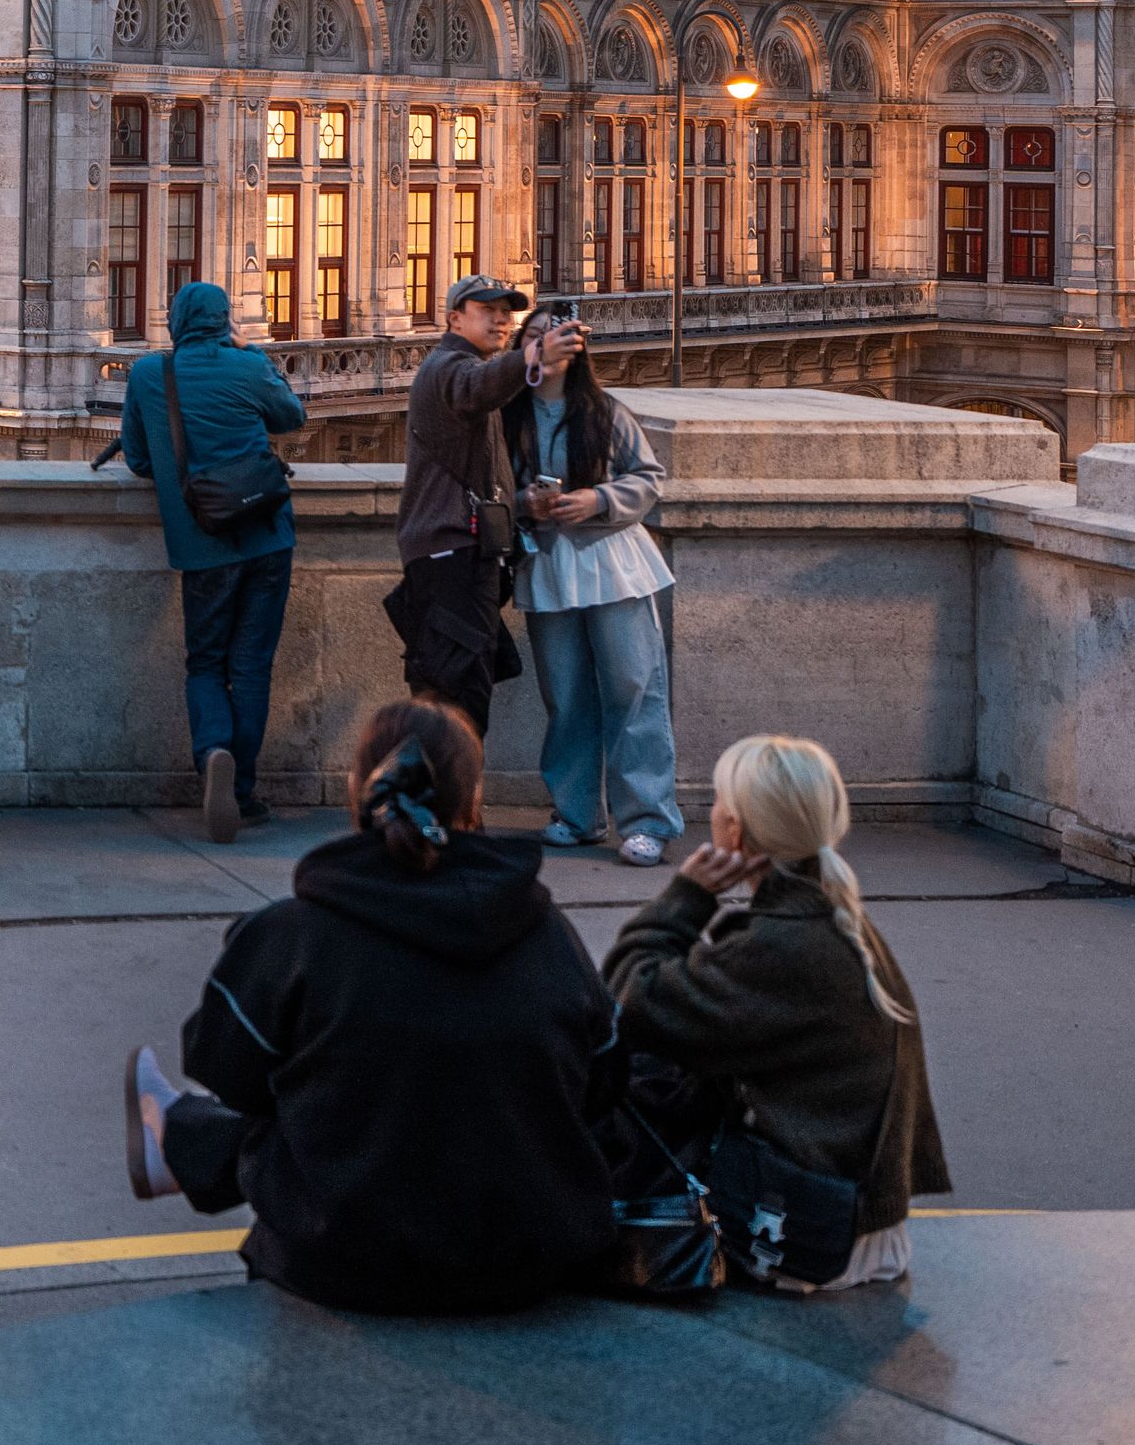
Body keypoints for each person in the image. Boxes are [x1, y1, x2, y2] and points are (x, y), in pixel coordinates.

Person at [123, 698, 618, 1313]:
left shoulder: (297, 934)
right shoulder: (549, 935)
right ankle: (175, 1140)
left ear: (356, 790)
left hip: (345, 1263)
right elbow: (602, 1082)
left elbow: (224, 1066)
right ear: (474, 801)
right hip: (526, 1264)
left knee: (309, 1107)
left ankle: (177, 1138)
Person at [600, 733, 949, 1289]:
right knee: (656, 1069)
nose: (712, 812)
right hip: (853, 1218)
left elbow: (628, 998)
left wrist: (687, 897)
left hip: (812, 1235)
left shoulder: (784, 947)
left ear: (735, 830)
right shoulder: (833, 918)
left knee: (614, 1080)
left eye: (717, 800)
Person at [113, 278, 306, 841]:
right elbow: (291, 416)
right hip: (266, 536)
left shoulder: (150, 374)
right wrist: (255, 354)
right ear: (225, 321)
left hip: (201, 544)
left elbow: (138, 459)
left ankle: (213, 752)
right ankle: (241, 792)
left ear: (175, 321)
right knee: (251, 667)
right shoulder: (246, 367)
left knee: (205, 663)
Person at [507, 308, 680, 868]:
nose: (544, 344)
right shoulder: (508, 417)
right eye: (534, 335)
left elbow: (649, 478)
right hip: (549, 564)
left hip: (614, 563)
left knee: (633, 689)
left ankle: (647, 821)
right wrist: (525, 504)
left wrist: (598, 499)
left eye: (554, 336)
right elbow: (494, 489)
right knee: (565, 696)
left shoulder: (605, 411)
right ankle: (577, 814)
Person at [392, 279, 571, 738]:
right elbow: (476, 386)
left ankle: (439, 781)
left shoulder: (465, 366)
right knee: (458, 703)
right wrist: (534, 355)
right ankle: (443, 783)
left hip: (458, 555)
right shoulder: (450, 367)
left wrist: (521, 502)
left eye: (507, 312)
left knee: (453, 695)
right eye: (487, 310)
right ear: (454, 319)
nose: (501, 319)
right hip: (452, 557)